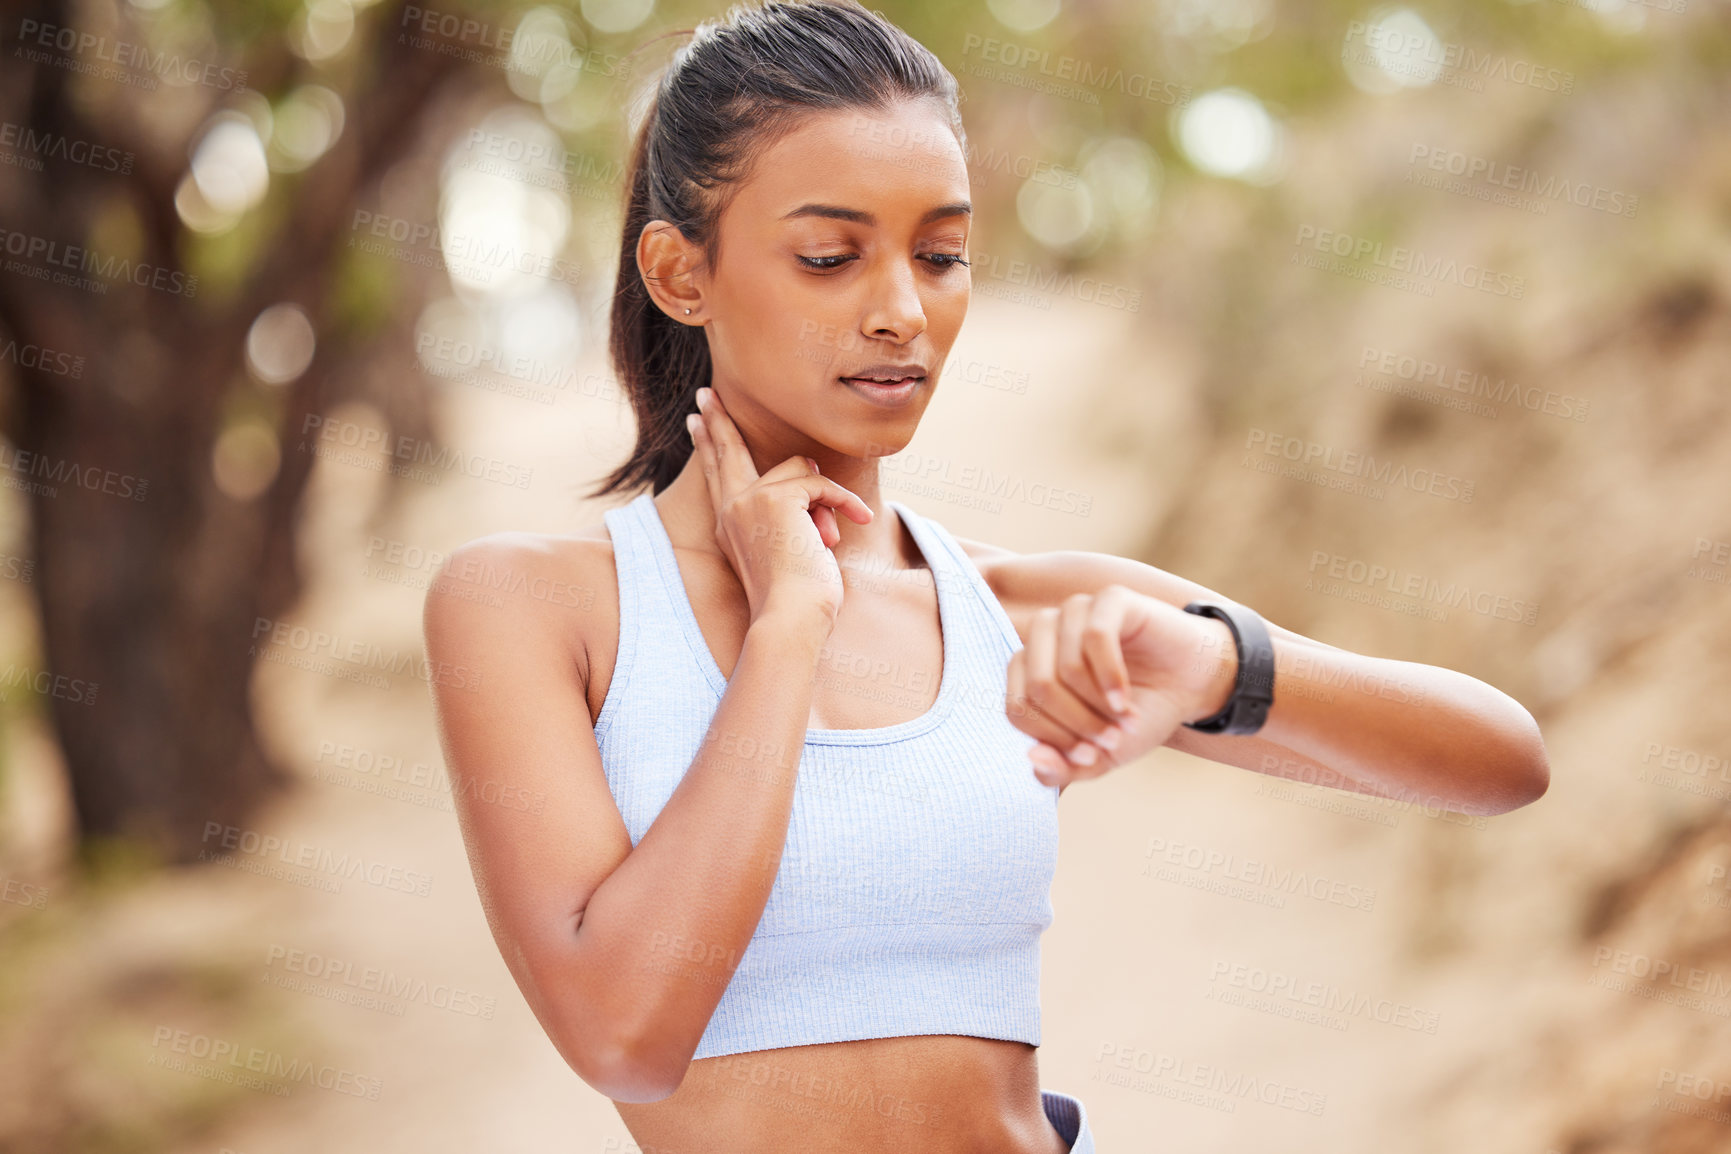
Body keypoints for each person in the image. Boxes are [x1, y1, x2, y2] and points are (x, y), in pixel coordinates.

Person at [421, 2, 1551, 1150]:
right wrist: (789, 628)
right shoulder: (534, 608)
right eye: (829, 256)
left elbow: (1501, 761)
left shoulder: (1014, 607)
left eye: (942, 254)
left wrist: (1217, 662)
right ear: (678, 272)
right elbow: (625, 1034)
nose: (902, 311)